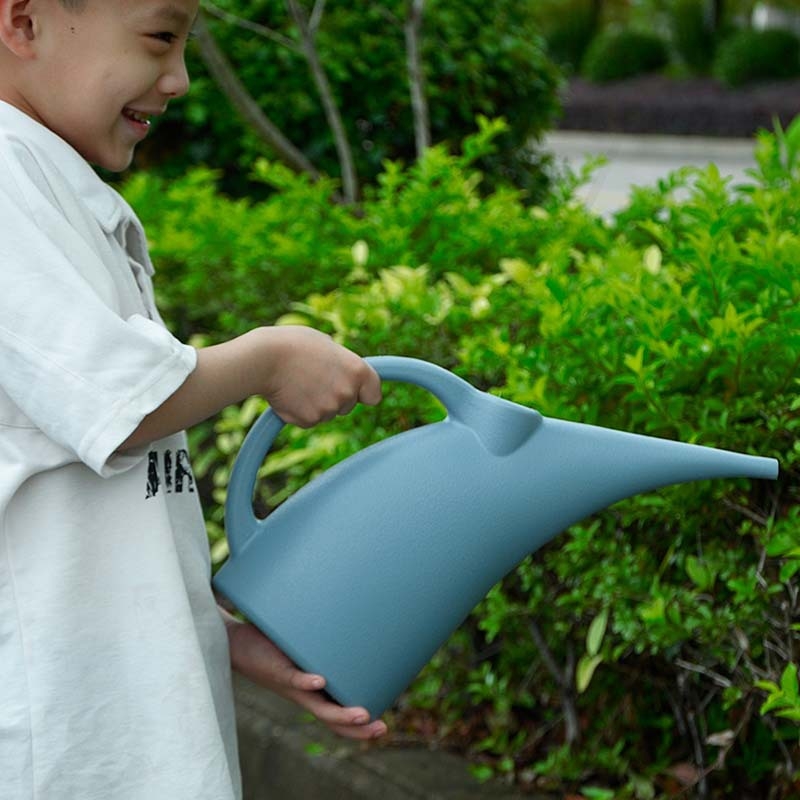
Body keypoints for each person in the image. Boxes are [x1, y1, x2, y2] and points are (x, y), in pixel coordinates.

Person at [0, 0, 387, 797]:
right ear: (24, 22)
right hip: (61, 754)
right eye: (160, 38)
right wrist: (271, 356)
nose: (177, 79)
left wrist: (216, 635)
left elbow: (69, 508)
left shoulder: (45, 184)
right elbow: (123, 400)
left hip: (116, 727)